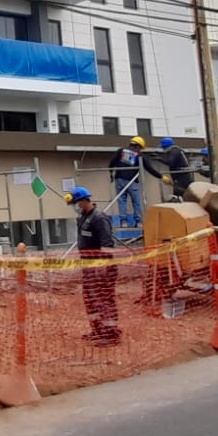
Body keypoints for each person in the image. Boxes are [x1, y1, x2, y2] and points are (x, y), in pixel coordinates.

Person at [67, 187, 120, 346]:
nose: (75, 207)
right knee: (91, 298)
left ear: (85, 200)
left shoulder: (99, 218)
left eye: (76, 203)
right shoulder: (83, 218)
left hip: (102, 267)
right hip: (89, 266)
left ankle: (110, 334)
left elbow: (107, 244)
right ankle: (98, 330)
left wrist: (101, 267)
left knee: (104, 299)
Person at [107, 136, 146, 227]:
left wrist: (111, 173)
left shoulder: (121, 151)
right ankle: (139, 222)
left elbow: (112, 162)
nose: (140, 150)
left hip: (119, 179)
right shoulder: (139, 155)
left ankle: (123, 222)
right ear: (138, 146)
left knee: (122, 201)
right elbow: (148, 167)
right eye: (140, 148)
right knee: (136, 202)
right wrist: (161, 176)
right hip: (133, 181)